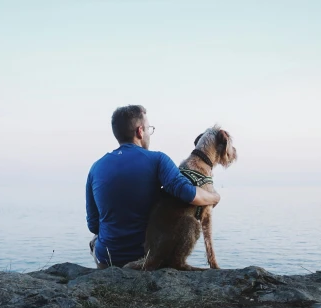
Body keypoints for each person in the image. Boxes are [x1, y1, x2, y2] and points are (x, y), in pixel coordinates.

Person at [85, 105, 220, 268]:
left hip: (107, 259)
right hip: (146, 257)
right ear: (140, 131)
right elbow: (187, 193)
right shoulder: (158, 160)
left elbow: (93, 225)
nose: (149, 134)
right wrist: (214, 197)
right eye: (149, 129)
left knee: (94, 240)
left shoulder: (96, 168)